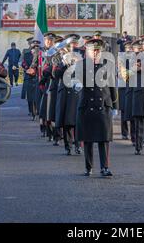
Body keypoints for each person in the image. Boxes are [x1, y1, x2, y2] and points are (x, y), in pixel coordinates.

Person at [76, 38, 117, 177]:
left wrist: (115, 105)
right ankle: (88, 167)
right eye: (92, 51)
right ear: (87, 51)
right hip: (87, 104)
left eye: (97, 51)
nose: (95, 53)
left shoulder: (108, 64)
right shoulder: (80, 65)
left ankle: (104, 167)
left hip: (103, 105)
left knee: (103, 139)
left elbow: (112, 85)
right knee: (87, 138)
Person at [55, 34, 82, 156]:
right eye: (70, 45)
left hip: (77, 91)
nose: (72, 47)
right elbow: (56, 74)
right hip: (65, 91)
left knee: (78, 120)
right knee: (66, 120)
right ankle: (68, 145)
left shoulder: (82, 56)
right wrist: (64, 64)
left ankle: (78, 145)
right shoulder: (61, 57)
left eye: (74, 44)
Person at [38, 33, 56, 139]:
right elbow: (35, 64)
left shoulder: (57, 52)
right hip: (43, 82)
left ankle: (53, 132)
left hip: (52, 81)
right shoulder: (40, 52)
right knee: (44, 108)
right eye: (47, 40)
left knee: (51, 108)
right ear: (44, 41)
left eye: (51, 40)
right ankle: (44, 128)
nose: (49, 42)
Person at [118, 41, 136, 141]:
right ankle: (124, 133)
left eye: (130, 48)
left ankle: (134, 135)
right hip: (123, 88)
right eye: (127, 48)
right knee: (124, 111)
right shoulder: (121, 59)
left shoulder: (136, 58)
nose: (129, 50)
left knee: (133, 111)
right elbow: (121, 74)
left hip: (133, 87)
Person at [22, 40, 40, 120]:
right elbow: (23, 64)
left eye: (37, 47)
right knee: (30, 97)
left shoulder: (41, 56)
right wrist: (28, 68)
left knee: (37, 97)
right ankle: (32, 112)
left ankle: (37, 112)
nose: (35, 49)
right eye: (33, 48)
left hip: (38, 78)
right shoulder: (26, 55)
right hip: (29, 77)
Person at [21, 37, 34, 109]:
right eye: (30, 42)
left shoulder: (40, 51)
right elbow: (22, 61)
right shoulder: (25, 51)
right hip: (28, 73)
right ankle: (31, 109)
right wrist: (26, 67)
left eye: (32, 42)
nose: (31, 44)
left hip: (37, 73)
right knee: (28, 93)